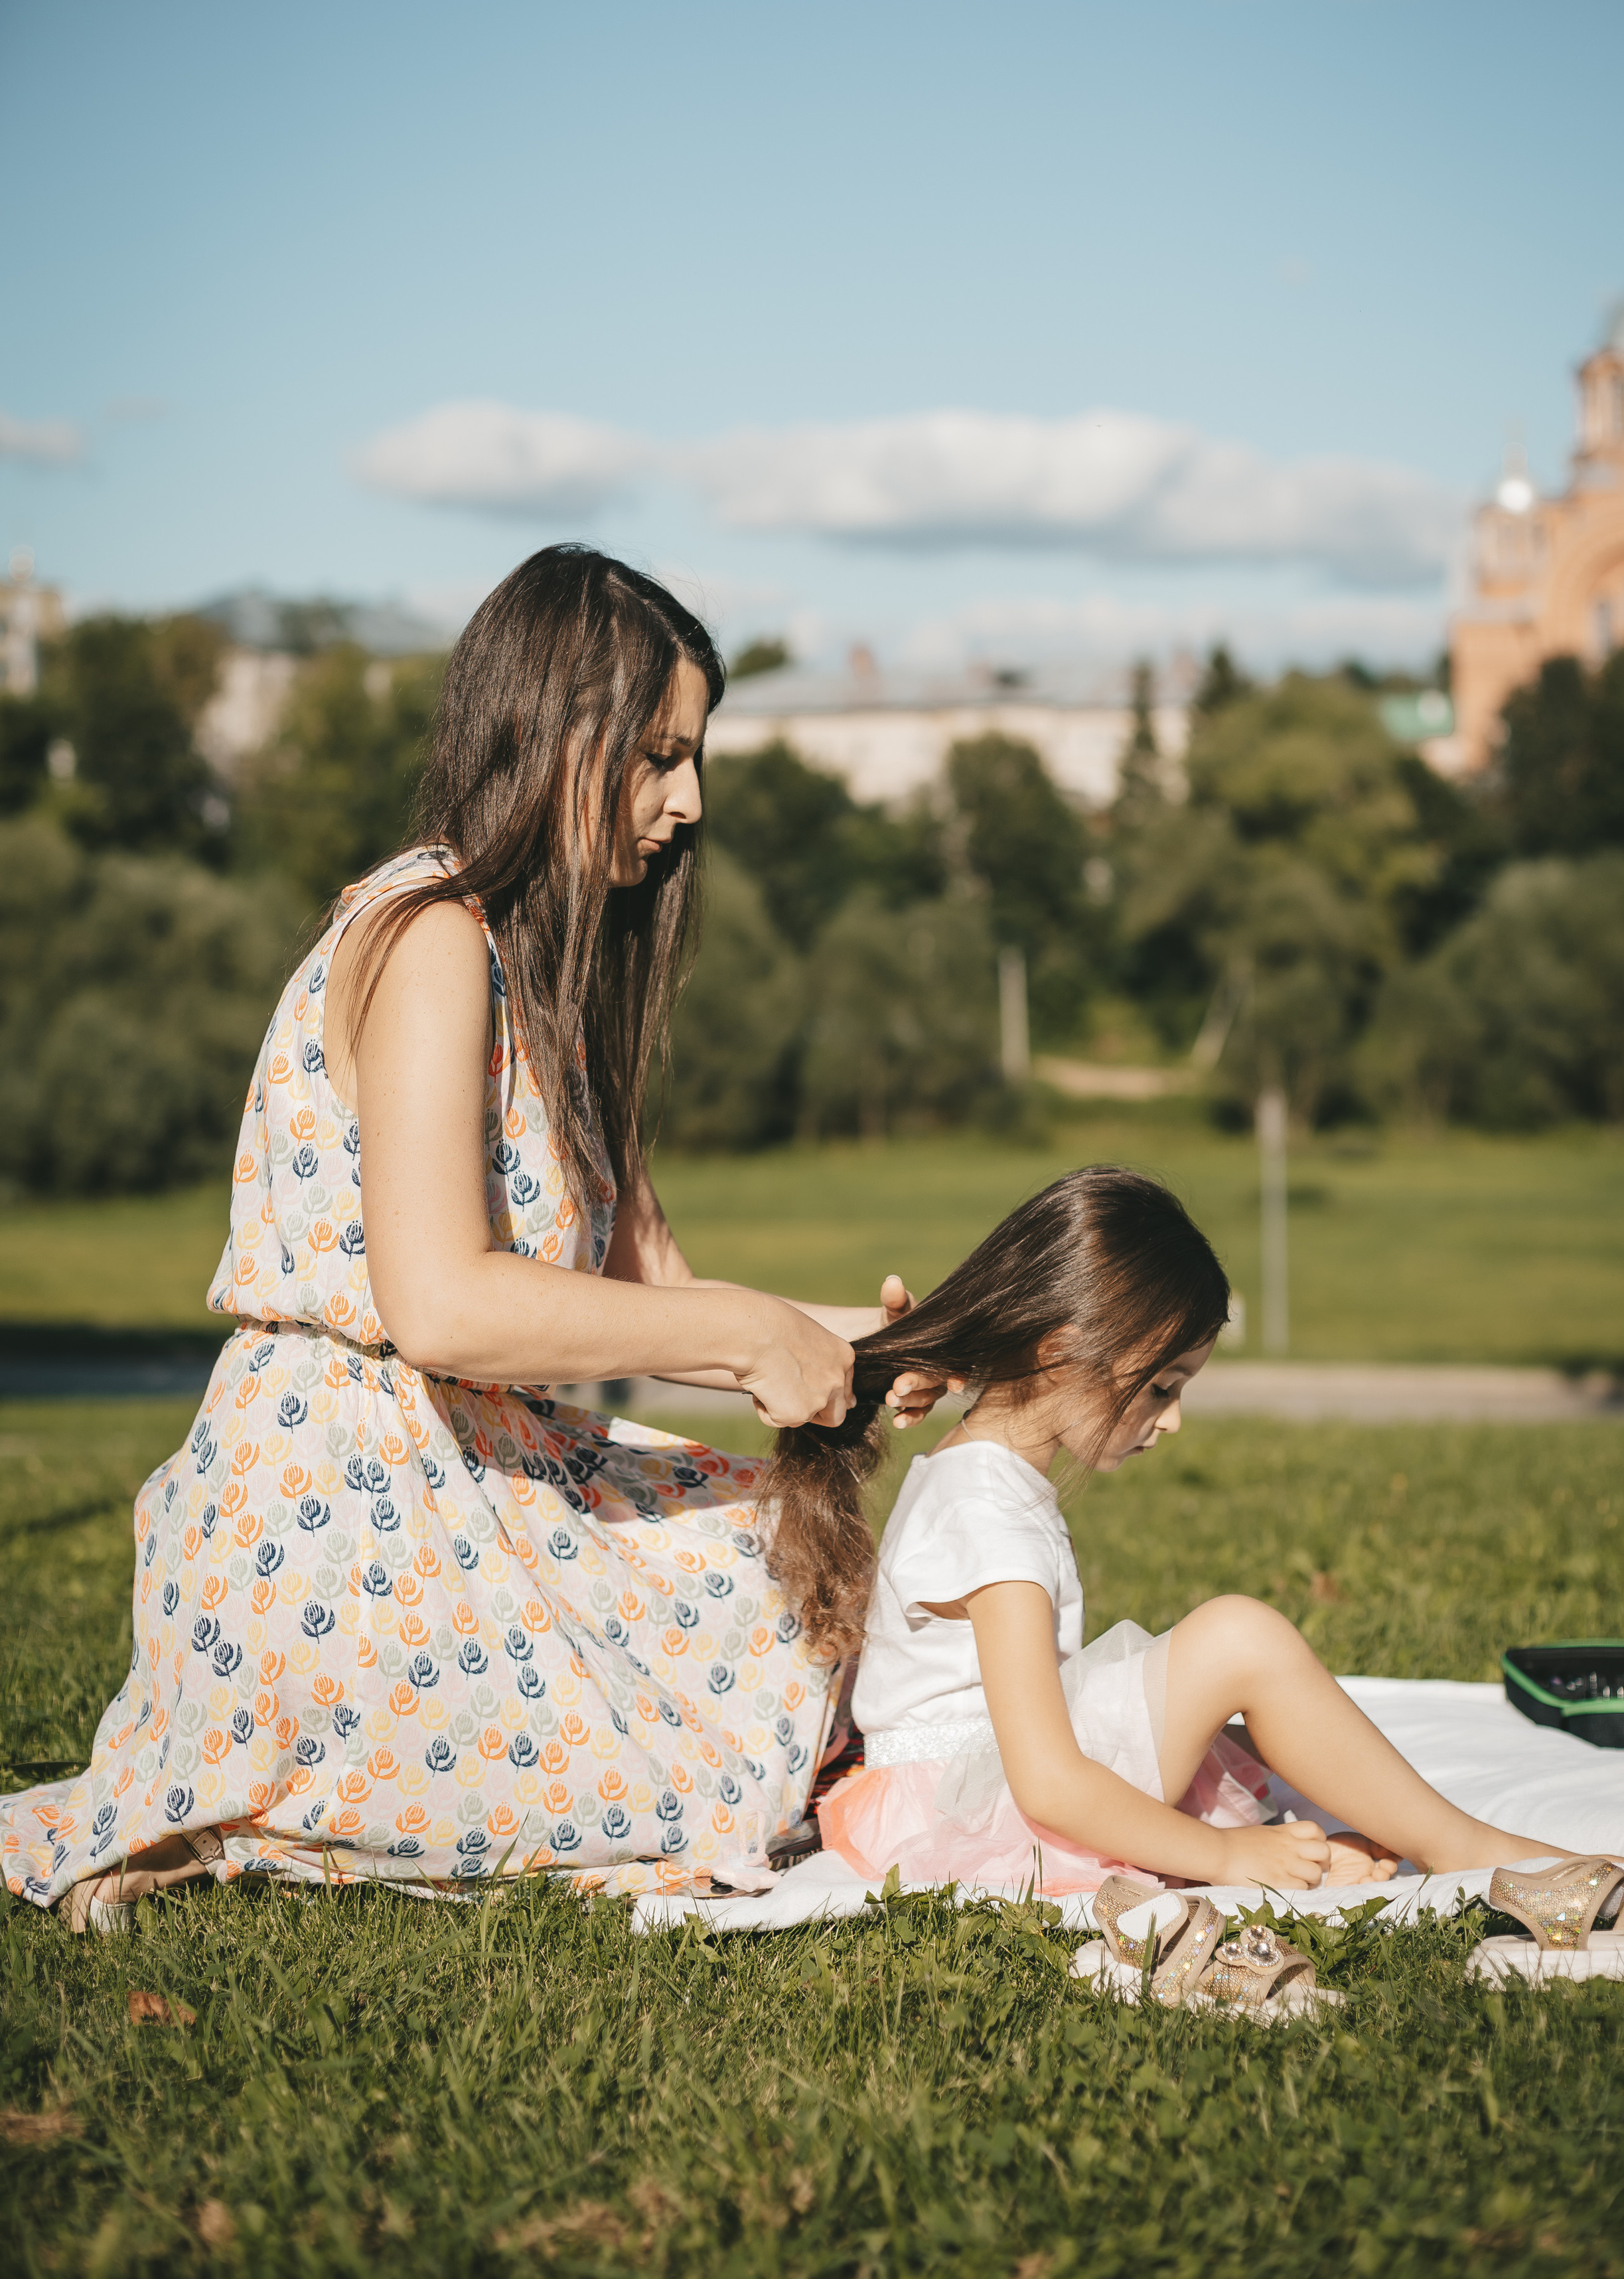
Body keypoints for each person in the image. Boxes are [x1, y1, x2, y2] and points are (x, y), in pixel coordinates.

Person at [1, 548, 944, 1930]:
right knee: (717, 1737)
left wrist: (878, 1346)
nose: (691, 800)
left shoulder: (552, 980)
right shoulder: (430, 934)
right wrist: (752, 1336)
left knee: (798, 1595)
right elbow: (439, 1305)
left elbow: (658, 1293)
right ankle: (242, 1800)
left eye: (694, 757)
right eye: (660, 756)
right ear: (557, 734)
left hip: (489, 1471)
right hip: (339, 1504)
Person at [763, 1167, 1576, 1898]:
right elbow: (1048, 1782)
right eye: (1160, 1387)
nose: (1173, 1419)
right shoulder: (988, 1514)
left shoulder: (978, 1478)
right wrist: (1224, 1858)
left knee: (1256, 1721)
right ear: (1061, 1355)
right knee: (1240, 1641)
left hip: (951, 1792)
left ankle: (1369, 1840)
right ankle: (1464, 1849)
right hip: (971, 1817)